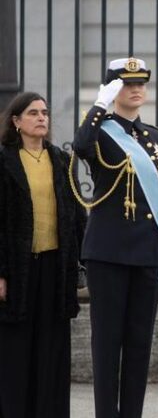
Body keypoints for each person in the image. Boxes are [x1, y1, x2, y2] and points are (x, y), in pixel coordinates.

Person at [72, 57, 158, 418]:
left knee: (139, 345)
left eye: (140, 83)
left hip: (147, 251)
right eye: (126, 84)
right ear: (114, 88)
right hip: (108, 251)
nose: (136, 89)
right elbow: (81, 145)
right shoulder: (100, 130)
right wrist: (100, 104)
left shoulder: (157, 137)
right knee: (106, 344)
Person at [0, 92, 85, 418]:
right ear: (16, 121)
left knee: (52, 348)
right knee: (16, 348)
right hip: (19, 270)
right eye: (33, 112)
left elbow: (76, 215)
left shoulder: (60, 160)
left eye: (45, 112)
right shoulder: (5, 161)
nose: (41, 118)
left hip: (54, 267)